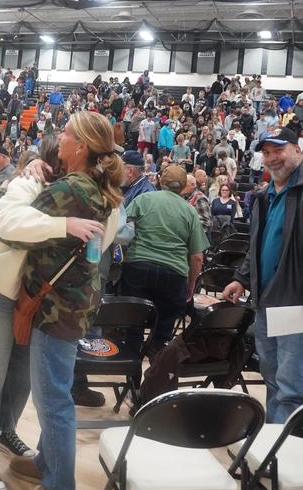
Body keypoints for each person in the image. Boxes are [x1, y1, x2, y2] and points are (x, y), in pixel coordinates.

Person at [0, 136, 104, 490]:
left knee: (19, 375)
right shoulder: (30, 181)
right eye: (57, 158)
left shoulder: (68, 189)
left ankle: (3, 430)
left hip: (28, 297)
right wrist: (64, 225)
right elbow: (8, 224)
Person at [0, 112, 123, 490]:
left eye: (66, 134)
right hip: (74, 304)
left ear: (81, 147)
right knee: (56, 392)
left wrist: (27, 177)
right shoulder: (95, 187)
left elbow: (12, 228)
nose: (59, 138)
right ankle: (49, 462)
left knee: (53, 401)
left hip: (55, 310)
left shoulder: (71, 188)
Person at [222, 127, 303, 423]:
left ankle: (290, 454)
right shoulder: (264, 195)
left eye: (278, 150)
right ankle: (274, 443)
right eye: (266, 153)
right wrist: (241, 279)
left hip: (295, 305)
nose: (271, 158)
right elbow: (256, 244)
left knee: (292, 385)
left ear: (297, 150)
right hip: (266, 303)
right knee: (272, 377)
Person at [120, 165, 209, 353]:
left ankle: (131, 370)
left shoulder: (143, 199)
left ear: (161, 181)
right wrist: (190, 285)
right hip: (174, 274)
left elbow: (121, 230)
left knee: (132, 325)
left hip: (138, 266)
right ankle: (157, 368)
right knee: (163, 331)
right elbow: (197, 257)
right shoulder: (190, 211)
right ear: (185, 185)